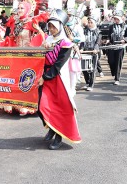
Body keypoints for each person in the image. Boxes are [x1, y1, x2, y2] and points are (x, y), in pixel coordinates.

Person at [38, 9, 81, 150]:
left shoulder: (66, 44)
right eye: (49, 26)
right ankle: (51, 127)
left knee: (59, 108)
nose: (51, 29)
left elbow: (58, 65)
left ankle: (58, 136)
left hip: (58, 78)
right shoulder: (48, 40)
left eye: (54, 26)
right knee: (42, 106)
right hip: (45, 76)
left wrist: (45, 77)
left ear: (61, 26)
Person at [106, 1, 127, 85]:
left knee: (118, 61)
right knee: (111, 61)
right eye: (115, 18)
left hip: (121, 46)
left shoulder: (125, 26)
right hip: (112, 45)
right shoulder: (111, 26)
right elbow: (108, 35)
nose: (116, 20)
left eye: (117, 18)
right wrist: (108, 40)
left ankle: (117, 78)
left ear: (121, 18)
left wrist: (124, 40)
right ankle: (114, 73)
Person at [80, 8, 101, 92]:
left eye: (91, 22)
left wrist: (96, 49)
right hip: (85, 51)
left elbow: (98, 42)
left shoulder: (98, 31)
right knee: (84, 68)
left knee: (93, 68)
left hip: (94, 52)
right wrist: (81, 48)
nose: (89, 24)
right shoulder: (84, 31)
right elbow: (82, 40)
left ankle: (91, 84)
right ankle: (87, 82)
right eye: (88, 22)